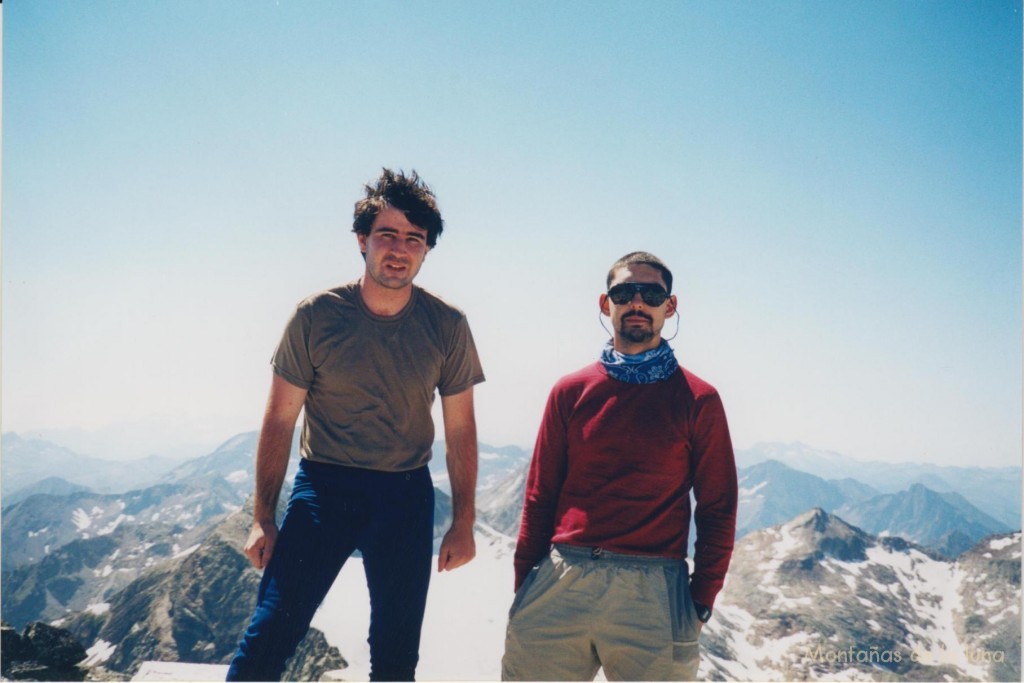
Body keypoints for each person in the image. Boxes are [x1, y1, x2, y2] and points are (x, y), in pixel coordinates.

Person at [227, 169, 485, 682]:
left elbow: (460, 431)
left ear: (427, 250)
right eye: (387, 234)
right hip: (325, 488)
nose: (399, 248)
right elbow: (280, 419)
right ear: (362, 240)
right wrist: (263, 516)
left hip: (405, 495)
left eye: (414, 238)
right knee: (269, 636)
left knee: (395, 659)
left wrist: (463, 521)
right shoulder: (317, 316)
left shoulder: (447, 325)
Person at [501, 251, 737, 681]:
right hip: (562, 577)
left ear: (670, 306)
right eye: (624, 292)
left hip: (652, 586)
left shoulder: (699, 400)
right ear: (605, 304)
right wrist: (527, 584)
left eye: (651, 293)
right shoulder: (570, 391)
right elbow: (540, 494)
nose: (637, 302)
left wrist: (701, 600)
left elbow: (718, 506)